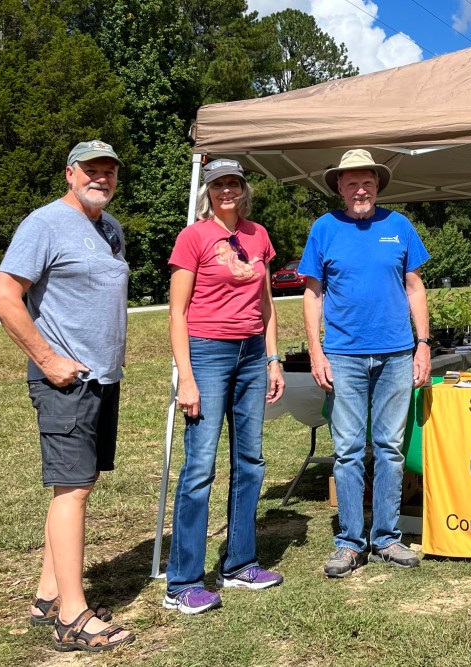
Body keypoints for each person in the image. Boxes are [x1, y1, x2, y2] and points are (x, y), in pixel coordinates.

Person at [0, 140, 135, 652]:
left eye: (108, 171)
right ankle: (72, 616)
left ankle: (49, 595)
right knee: (71, 490)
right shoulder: (44, 224)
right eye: (91, 169)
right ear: (70, 174)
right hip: (65, 381)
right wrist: (49, 361)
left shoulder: (110, 228)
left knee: (80, 484)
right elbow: (4, 297)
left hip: (102, 378)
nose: (101, 178)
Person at [301, 149, 431, 578]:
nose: (361, 190)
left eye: (368, 183)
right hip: (344, 355)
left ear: (378, 187)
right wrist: (316, 350)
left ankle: (387, 539)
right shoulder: (324, 228)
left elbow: (415, 287)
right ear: (339, 187)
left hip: (396, 353)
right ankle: (350, 542)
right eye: (353, 183)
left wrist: (423, 344)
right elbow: (313, 293)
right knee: (348, 451)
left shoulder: (399, 226)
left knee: (391, 448)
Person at [164, 158, 285, 614]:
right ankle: (182, 583)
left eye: (234, 183)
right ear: (208, 192)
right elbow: (177, 313)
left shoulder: (258, 235)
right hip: (207, 353)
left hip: (252, 354)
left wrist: (273, 359)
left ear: (244, 189)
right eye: (218, 185)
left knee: (250, 462)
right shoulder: (193, 237)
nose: (227, 191)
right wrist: (187, 378)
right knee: (200, 468)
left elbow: (266, 305)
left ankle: (240, 563)